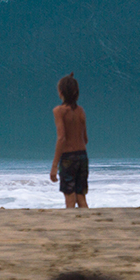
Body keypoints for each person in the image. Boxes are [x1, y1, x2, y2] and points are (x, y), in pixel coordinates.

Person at [50, 73, 89, 208]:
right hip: (83, 156)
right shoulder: (81, 111)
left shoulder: (59, 111)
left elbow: (61, 138)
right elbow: (85, 139)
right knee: (81, 197)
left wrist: (54, 166)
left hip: (68, 158)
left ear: (61, 92)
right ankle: (89, 225)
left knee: (70, 198)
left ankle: (72, 227)